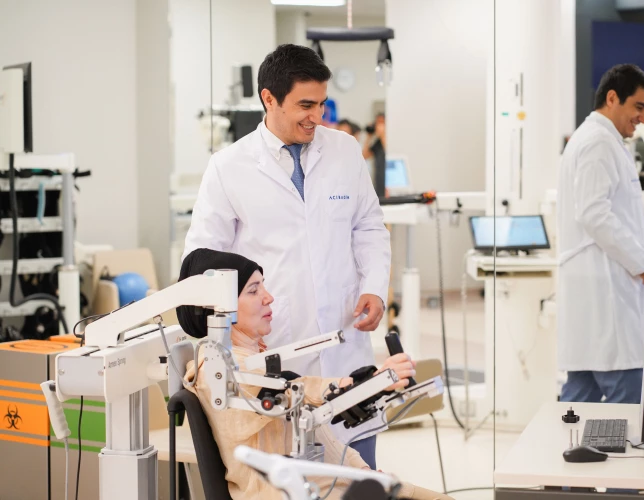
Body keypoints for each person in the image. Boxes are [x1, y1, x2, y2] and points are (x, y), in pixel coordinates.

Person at [183, 44, 391, 468]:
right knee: (295, 474)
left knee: (360, 475)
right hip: (279, 347)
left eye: (322, 104)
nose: (317, 116)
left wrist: (374, 287)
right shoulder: (229, 166)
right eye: (305, 105)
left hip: (345, 338)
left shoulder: (345, 150)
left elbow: (368, 226)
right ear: (269, 99)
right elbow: (203, 262)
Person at [177, 249, 451, 500]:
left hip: (324, 486)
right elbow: (296, 390)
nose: (268, 297)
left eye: (264, 286)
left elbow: (320, 431)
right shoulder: (216, 369)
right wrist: (370, 382)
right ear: (221, 308)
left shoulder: (253, 358)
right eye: (253, 290)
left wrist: (364, 471)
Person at [557, 64, 644, 404]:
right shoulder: (598, 143)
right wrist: (641, 261)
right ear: (613, 98)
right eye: (639, 107)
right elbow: (594, 213)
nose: (643, 118)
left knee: (577, 404)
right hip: (607, 293)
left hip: (598, 294)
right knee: (626, 405)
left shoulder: (599, 140)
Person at [363, 113, 387, 198]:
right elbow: (364, 156)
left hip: (389, 183)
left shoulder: (390, 139)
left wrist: (383, 135)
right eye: (377, 123)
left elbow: (390, 154)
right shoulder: (377, 142)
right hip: (378, 182)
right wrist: (369, 137)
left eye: (382, 122)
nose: (379, 126)